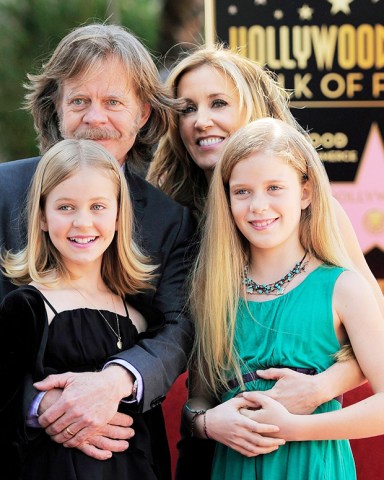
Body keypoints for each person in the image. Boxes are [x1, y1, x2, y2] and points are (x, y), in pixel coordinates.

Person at [147, 45, 383, 478]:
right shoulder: (166, 214)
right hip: (217, 443)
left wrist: (318, 389)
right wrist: (205, 422)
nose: (201, 120)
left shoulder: (309, 213)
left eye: (218, 103)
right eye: (186, 108)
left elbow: (366, 329)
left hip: (304, 436)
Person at [0, 23, 195, 478]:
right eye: (80, 101)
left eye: (113, 102)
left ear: (143, 113)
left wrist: (116, 380)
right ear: (57, 108)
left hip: (125, 448)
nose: (95, 117)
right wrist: (39, 402)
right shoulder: (4, 191)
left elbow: (179, 326)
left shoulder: (170, 221)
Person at [185, 117, 384, 480]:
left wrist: (294, 428)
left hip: (315, 467)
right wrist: (208, 424)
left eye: (274, 187)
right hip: (233, 467)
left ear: (305, 192)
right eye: (242, 191)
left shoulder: (343, 287)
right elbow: (198, 400)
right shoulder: (213, 292)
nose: (258, 205)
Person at [0, 138, 170, 479]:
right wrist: (45, 412)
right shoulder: (28, 307)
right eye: (65, 207)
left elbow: (154, 436)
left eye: (98, 207)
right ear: (43, 217)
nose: (82, 222)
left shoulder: (138, 314)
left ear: (120, 215)